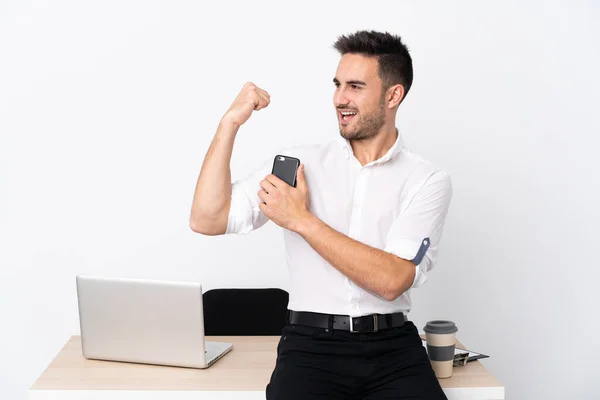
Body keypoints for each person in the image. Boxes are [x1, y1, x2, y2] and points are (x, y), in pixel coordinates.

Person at [189, 30, 452, 400]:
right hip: (310, 348)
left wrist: (301, 219)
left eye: (356, 86)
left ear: (393, 95)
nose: (340, 99)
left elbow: (393, 280)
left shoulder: (427, 180)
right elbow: (207, 219)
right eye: (338, 84)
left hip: (394, 349)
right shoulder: (299, 164)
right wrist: (229, 124)